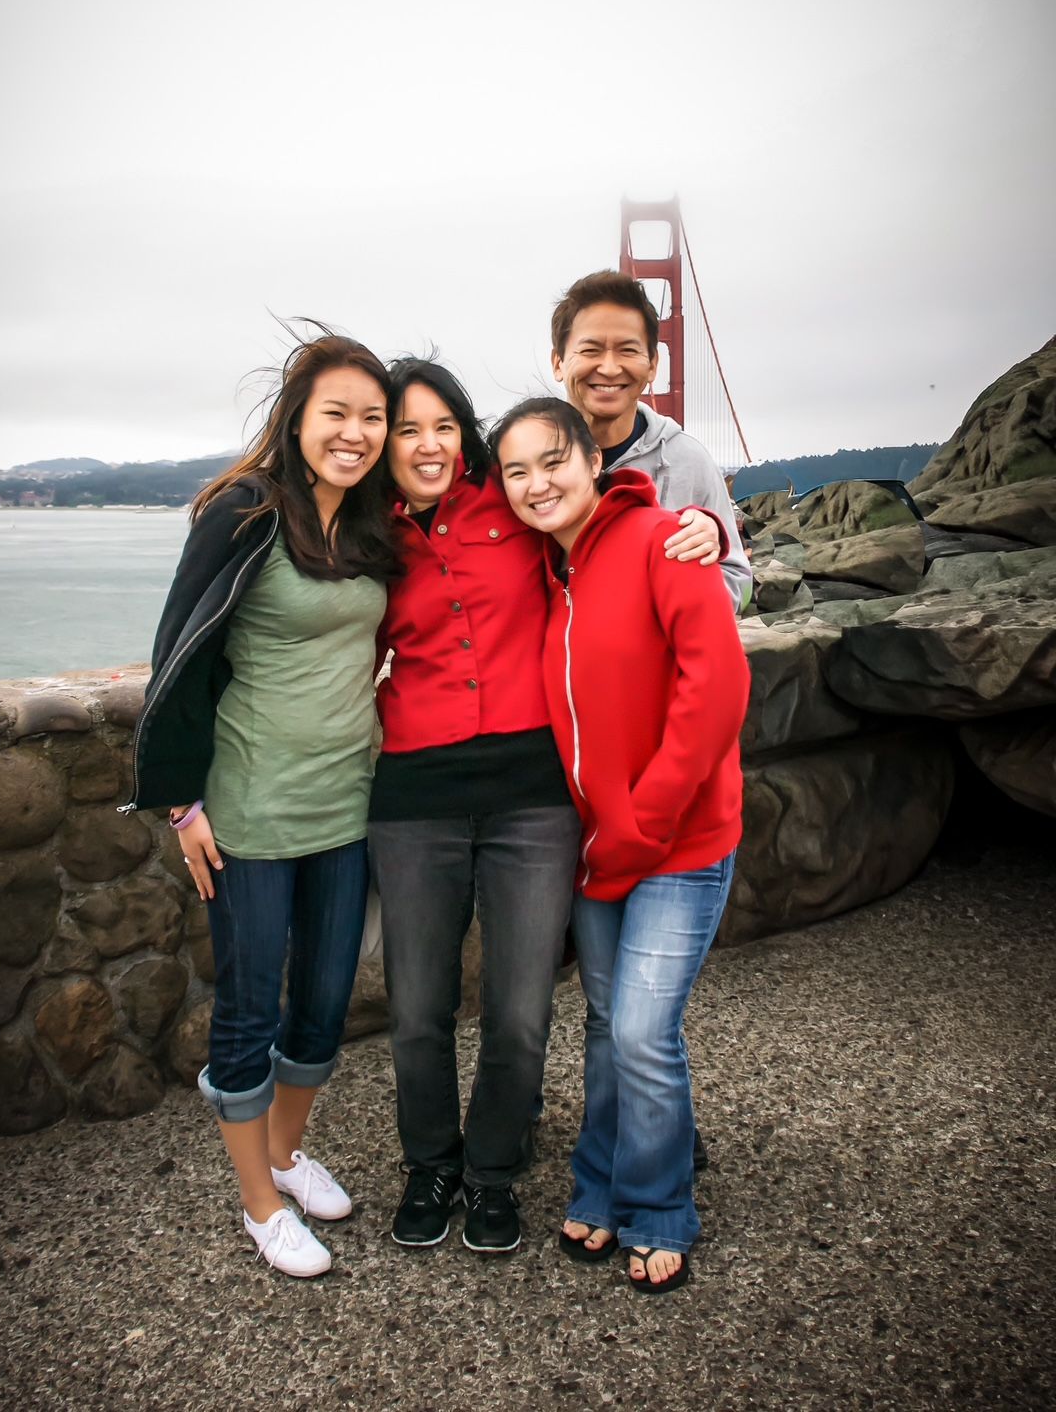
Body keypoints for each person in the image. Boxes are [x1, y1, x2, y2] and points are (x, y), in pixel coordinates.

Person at [367, 357, 725, 1255]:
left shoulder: (508, 500)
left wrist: (709, 524)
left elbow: (603, 510)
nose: (427, 445)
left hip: (532, 796)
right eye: (406, 429)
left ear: (465, 437)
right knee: (418, 1008)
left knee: (523, 1009)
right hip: (415, 795)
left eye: (443, 426)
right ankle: (431, 1165)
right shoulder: (366, 537)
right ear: (383, 444)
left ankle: (493, 1171)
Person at [124, 333, 399, 1278]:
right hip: (250, 809)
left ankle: (285, 1154)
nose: (356, 433)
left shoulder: (372, 523)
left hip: (346, 803)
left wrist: (704, 529)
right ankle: (259, 1205)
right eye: (337, 413)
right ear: (296, 418)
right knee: (249, 1010)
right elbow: (178, 652)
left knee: (323, 1004)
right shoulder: (245, 513)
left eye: (374, 417)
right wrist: (180, 805)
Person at [493, 396, 749, 1295]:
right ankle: (598, 1182)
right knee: (608, 1026)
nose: (537, 484)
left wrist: (648, 816)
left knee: (641, 1029)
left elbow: (718, 686)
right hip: (600, 852)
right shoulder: (547, 571)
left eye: (552, 461)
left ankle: (659, 1205)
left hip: (679, 844)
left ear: (594, 460)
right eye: (516, 471)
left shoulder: (665, 540)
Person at [550, 269, 752, 612]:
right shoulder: (522, 463)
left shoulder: (689, 461)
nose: (610, 368)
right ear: (558, 362)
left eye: (628, 350)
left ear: (653, 364)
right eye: (591, 350)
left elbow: (737, 582)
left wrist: (699, 562)